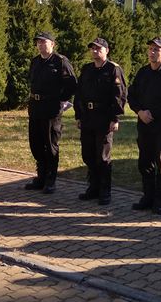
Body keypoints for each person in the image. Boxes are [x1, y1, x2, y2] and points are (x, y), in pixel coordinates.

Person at [127, 37, 161, 215]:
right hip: (144, 124)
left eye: (156, 49)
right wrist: (139, 112)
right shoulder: (143, 72)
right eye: (150, 49)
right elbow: (131, 95)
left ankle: (159, 200)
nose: (152, 52)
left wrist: (153, 113)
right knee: (145, 161)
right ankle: (148, 197)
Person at [74, 38, 127, 205]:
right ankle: (93, 187)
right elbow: (79, 93)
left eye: (99, 48)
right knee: (88, 154)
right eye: (93, 48)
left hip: (104, 117)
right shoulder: (87, 69)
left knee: (102, 156)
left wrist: (115, 118)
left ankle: (105, 190)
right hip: (88, 117)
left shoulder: (113, 69)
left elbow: (119, 95)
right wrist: (78, 115)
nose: (95, 51)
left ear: (106, 50)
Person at [25, 31, 77, 194]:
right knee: (36, 143)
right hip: (36, 107)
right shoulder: (35, 61)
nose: (40, 45)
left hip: (51, 109)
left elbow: (71, 84)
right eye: (38, 42)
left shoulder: (60, 61)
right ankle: (40, 177)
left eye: (44, 42)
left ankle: (50, 179)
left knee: (50, 144)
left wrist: (61, 100)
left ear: (52, 44)